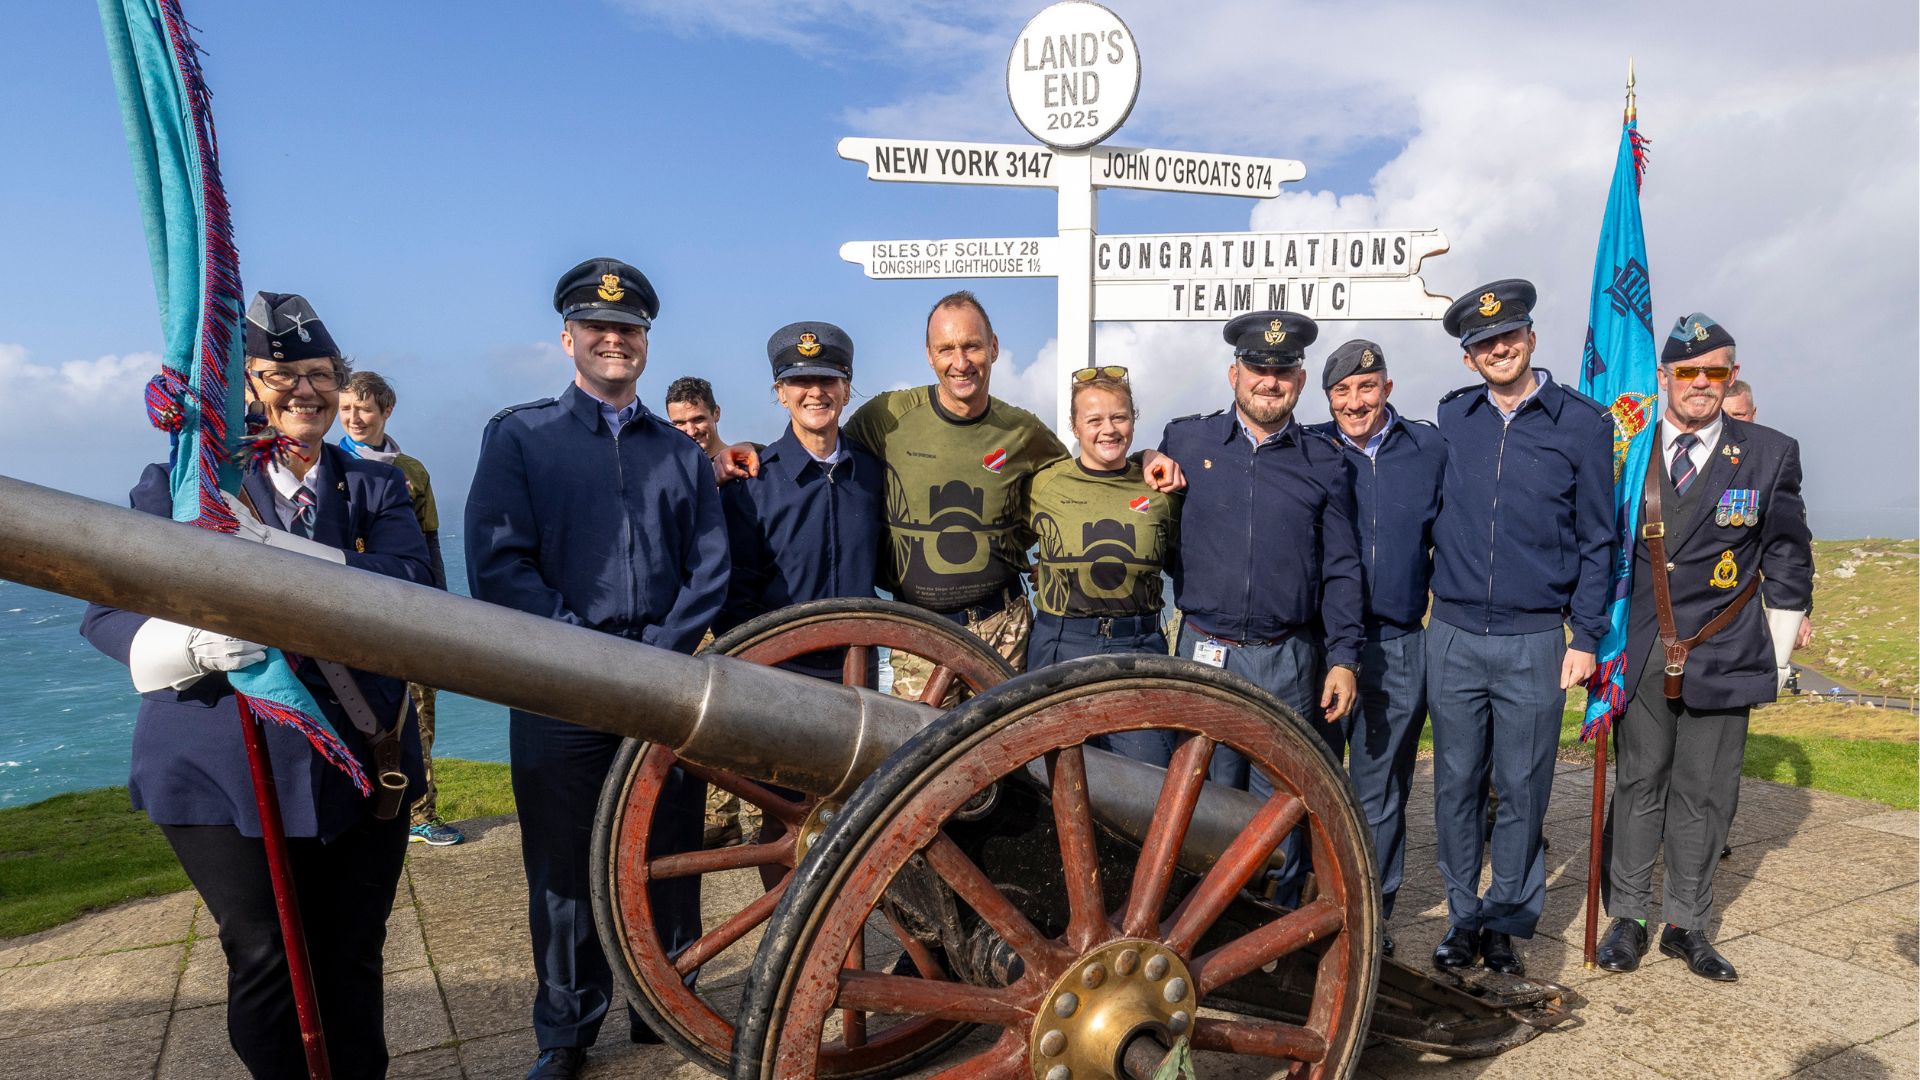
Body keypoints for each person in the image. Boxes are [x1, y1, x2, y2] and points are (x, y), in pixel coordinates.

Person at [81, 292, 433, 1079]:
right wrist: (193, 645)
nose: (306, 393)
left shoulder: (372, 487)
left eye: (321, 376)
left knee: (351, 957)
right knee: (266, 957)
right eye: (284, 376)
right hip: (219, 769)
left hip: (361, 762)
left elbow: (414, 586)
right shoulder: (181, 486)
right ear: (245, 386)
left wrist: (267, 548)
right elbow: (106, 613)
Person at [464, 258, 726, 1080]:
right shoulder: (520, 437)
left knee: (669, 852)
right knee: (563, 866)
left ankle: (665, 1005)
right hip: (561, 686)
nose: (614, 340)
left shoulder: (679, 455)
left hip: (663, 683)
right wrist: (582, 646)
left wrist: (658, 650)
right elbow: (498, 562)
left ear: (646, 342)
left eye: (630, 329)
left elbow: (710, 563)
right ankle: (567, 1030)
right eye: (598, 328)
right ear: (569, 337)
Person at [1596, 314, 1813, 982]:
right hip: (1641, 647)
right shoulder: (1625, 449)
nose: (1699, 384)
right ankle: (1627, 918)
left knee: (1705, 793)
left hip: (1723, 649)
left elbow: (1786, 553)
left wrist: (1778, 653)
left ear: (1731, 376)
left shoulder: (1769, 452)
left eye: (1713, 371)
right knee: (1639, 784)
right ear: (1663, 377)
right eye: (1685, 372)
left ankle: (1686, 924)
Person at [1426, 279, 1614, 977]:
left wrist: (1587, 636)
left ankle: (1504, 922)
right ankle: (1459, 918)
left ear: (1531, 337)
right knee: (1455, 784)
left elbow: (1600, 540)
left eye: (1508, 337)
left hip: (1538, 640)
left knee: (1524, 785)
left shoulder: (1584, 424)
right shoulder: (1453, 421)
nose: (1497, 349)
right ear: (1469, 360)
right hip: (1451, 634)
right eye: (1482, 345)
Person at [1157, 310, 1362, 905]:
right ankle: (1210, 917)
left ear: (1299, 381)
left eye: (1282, 371)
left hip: (1289, 658)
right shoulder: (1187, 441)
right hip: (1206, 649)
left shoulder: (1326, 462)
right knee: (1207, 795)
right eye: (1257, 369)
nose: (1268, 381)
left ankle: (1280, 923)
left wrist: (1344, 657)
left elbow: (1342, 568)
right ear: (1234, 374)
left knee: (1287, 798)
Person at [840, 291, 1069, 697]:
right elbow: (824, 454)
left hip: (1005, 627)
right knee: (920, 751)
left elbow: (1071, 486)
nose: (960, 363)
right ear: (929, 355)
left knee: (1005, 752)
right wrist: (743, 452)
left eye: (972, 346)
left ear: (994, 348)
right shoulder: (887, 417)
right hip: (918, 631)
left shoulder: (1022, 430)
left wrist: (1053, 556)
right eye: (946, 349)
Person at [1307, 340, 1445, 957]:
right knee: (1302, 783)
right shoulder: (1308, 447)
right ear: (1327, 397)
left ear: (1387, 388)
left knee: (1381, 790)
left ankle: (1374, 913)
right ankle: (1303, 908)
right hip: (1316, 645)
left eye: (1367, 388)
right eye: (1342, 392)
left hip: (1394, 642)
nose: (1355, 402)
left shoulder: (1429, 448)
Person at [1027, 365, 1181, 763]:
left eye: (1119, 417)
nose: (1108, 429)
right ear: (1075, 427)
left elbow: (1188, 560)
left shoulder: (1160, 488)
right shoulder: (1044, 484)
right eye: (1094, 419)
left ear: (1133, 420)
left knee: (1148, 784)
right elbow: (1003, 536)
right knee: (1054, 779)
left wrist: (1149, 455)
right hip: (1061, 644)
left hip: (1140, 646)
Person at [337, 370, 463, 847]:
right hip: (349, 614)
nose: (354, 418)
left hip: (410, 611)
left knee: (417, 715)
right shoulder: (328, 467)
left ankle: (421, 812)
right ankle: (362, 815)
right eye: (346, 408)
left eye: (364, 409)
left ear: (386, 411)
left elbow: (429, 546)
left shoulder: (412, 471)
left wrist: (442, 612)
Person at [716, 321, 884, 665]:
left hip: (858, 665)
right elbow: (732, 597)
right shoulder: (752, 485)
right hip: (778, 671)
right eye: (800, 381)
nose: (815, 392)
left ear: (846, 390)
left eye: (827, 380)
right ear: (781, 392)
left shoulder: (873, 475)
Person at [665, 375, 727, 457]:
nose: (691, 432)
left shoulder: (743, 464)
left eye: (698, 419)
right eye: (680, 423)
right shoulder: (671, 468)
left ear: (716, 413)